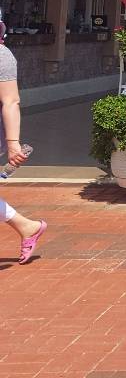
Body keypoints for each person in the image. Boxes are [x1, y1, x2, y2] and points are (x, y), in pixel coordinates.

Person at [0, 21, 47, 264]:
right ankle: (27, 226)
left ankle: (27, 226)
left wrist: (13, 144)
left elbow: (10, 101)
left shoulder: (2, 56)